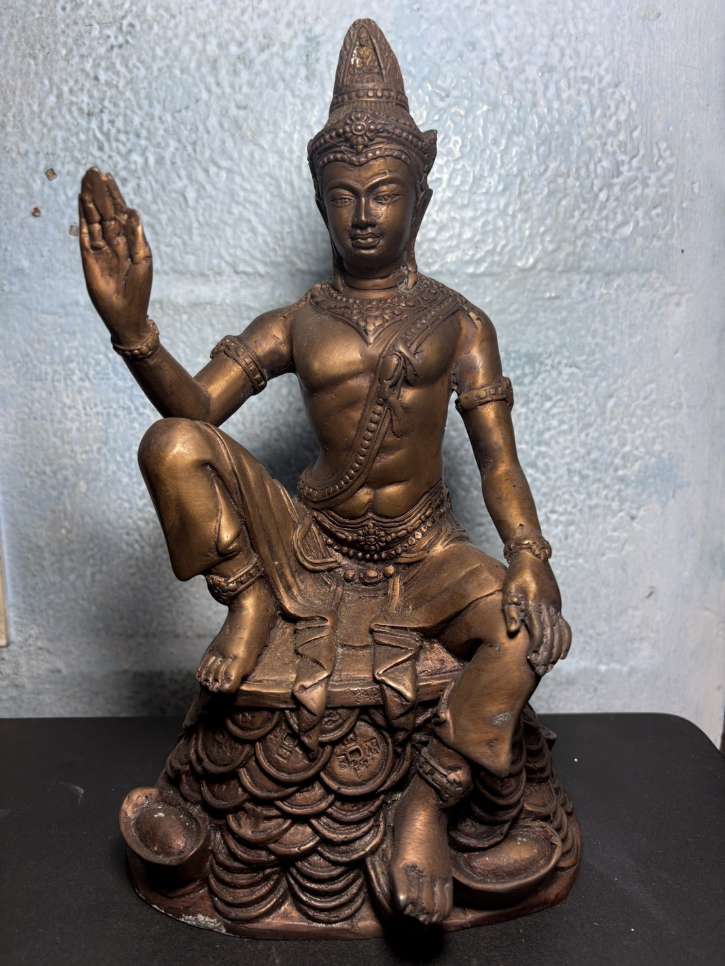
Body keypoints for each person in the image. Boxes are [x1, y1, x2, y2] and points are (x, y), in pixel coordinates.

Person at [79, 19, 571, 926]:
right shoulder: (295, 320)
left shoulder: (460, 322)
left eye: (383, 193)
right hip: (307, 541)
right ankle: (250, 601)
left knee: (526, 631)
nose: (363, 214)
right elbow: (194, 414)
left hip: (425, 550)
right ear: (319, 204)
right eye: (342, 196)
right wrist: (134, 331)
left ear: (421, 198)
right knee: (169, 445)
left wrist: (529, 556)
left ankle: (425, 803)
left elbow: (497, 459)